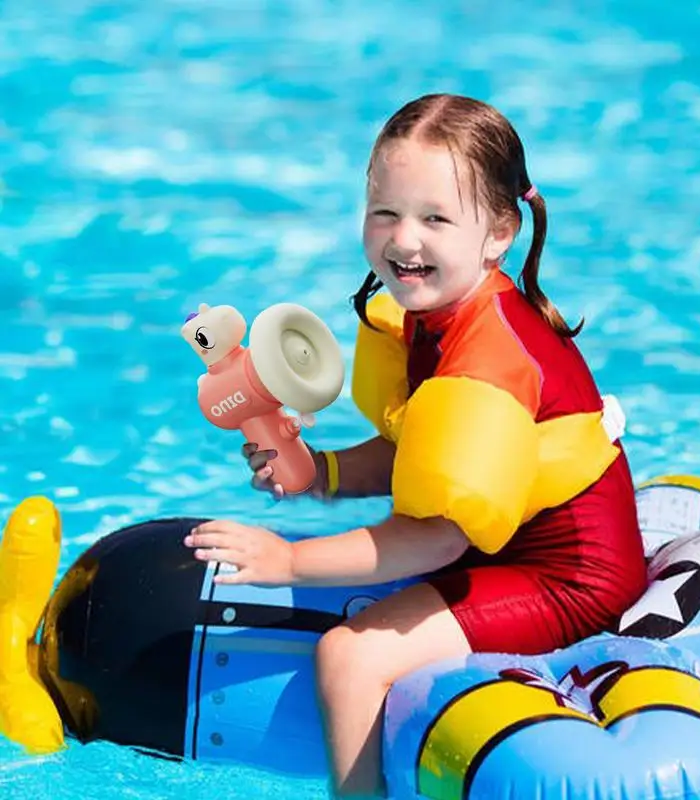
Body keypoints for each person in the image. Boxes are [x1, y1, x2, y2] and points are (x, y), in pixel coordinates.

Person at [183, 93, 647, 799]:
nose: (404, 241)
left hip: (570, 579)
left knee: (348, 657)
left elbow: (436, 538)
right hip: (501, 542)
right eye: (385, 214)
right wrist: (321, 473)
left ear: (499, 232)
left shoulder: (487, 361)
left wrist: (287, 560)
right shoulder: (439, 311)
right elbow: (420, 451)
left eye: (435, 218)